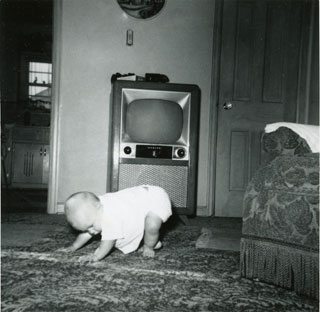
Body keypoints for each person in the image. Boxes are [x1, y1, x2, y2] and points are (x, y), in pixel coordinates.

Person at [61, 185, 172, 262]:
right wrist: (73, 247)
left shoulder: (110, 216)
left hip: (156, 198)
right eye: (86, 229)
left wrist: (96, 256)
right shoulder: (95, 209)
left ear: (99, 208)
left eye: (90, 226)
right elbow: (87, 233)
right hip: (142, 198)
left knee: (151, 225)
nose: (91, 231)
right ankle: (153, 241)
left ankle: (149, 246)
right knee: (136, 221)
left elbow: (107, 243)